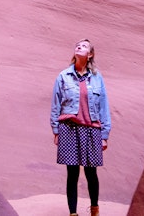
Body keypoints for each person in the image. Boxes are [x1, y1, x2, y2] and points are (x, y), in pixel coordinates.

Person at [50, 39, 112, 216]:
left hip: (92, 130)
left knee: (91, 171)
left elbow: (103, 106)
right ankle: (73, 213)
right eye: (78, 45)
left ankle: (94, 210)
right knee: (72, 172)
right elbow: (55, 105)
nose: (79, 47)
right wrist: (56, 130)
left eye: (84, 46)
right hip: (69, 128)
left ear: (90, 54)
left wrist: (104, 134)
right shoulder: (63, 76)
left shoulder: (97, 77)